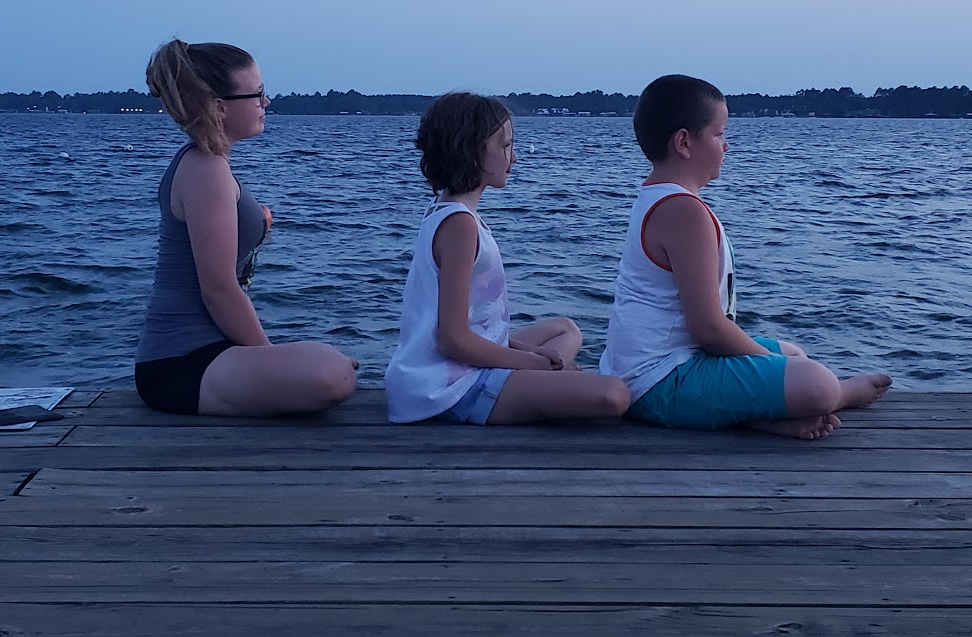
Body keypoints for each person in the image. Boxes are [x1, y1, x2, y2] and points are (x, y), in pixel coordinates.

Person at [598, 74, 890, 438]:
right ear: (684, 142)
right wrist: (769, 363)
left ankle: (758, 417)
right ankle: (839, 395)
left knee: (793, 354)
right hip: (660, 383)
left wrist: (775, 362)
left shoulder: (660, 198)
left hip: (661, 367)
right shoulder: (683, 211)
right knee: (817, 382)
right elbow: (708, 328)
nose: (727, 145)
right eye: (719, 134)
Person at [134, 39, 358, 416]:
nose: (266, 102)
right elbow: (218, 290)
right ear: (219, 106)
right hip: (181, 363)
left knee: (329, 365)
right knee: (331, 376)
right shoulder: (206, 169)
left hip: (214, 351)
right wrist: (272, 363)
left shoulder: (208, 165)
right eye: (257, 94)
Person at [387, 91, 630, 425]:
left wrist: (527, 352)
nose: (513, 157)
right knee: (614, 394)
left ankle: (545, 380)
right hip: (449, 388)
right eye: (505, 146)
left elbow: (468, 327)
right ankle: (544, 382)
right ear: (471, 151)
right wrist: (531, 364)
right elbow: (452, 339)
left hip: (460, 366)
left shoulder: (450, 212)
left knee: (566, 330)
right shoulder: (459, 226)